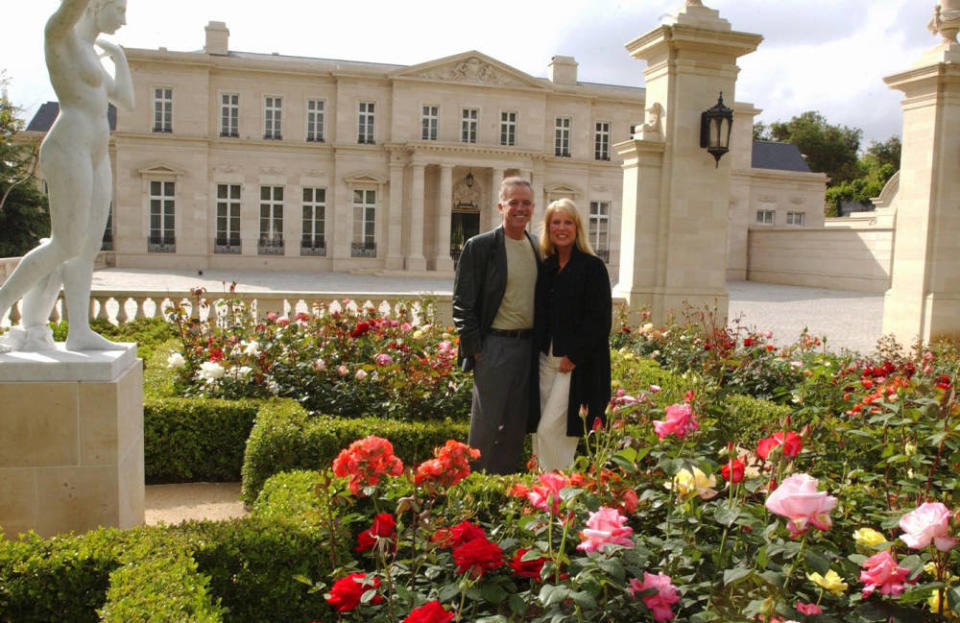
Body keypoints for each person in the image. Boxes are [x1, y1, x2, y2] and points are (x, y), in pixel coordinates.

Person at [0, 0, 133, 353]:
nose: (124, 18)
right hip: (69, 145)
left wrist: (118, 58)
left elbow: (125, 100)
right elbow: (69, 9)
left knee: (86, 248)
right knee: (66, 243)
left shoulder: (91, 54)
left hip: (97, 151)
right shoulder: (61, 36)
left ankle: (79, 331)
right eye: (118, 9)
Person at [453, 177, 541, 474]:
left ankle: (504, 492)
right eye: (513, 202)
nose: (520, 208)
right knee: (485, 428)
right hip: (494, 347)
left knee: (515, 428)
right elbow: (462, 303)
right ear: (500, 205)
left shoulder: (538, 248)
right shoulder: (480, 247)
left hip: (528, 348)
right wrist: (476, 350)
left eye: (526, 202)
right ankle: (473, 491)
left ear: (533, 207)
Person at [532, 198, 611, 472]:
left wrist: (574, 355)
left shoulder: (592, 267)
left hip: (574, 365)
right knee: (539, 431)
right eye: (556, 222)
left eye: (568, 222)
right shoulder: (547, 267)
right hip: (545, 361)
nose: (561, 228)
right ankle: (541, 490)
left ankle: (560, 489)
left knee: (551, 430)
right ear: (548, 227)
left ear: (577, 228)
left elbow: (600, 320)